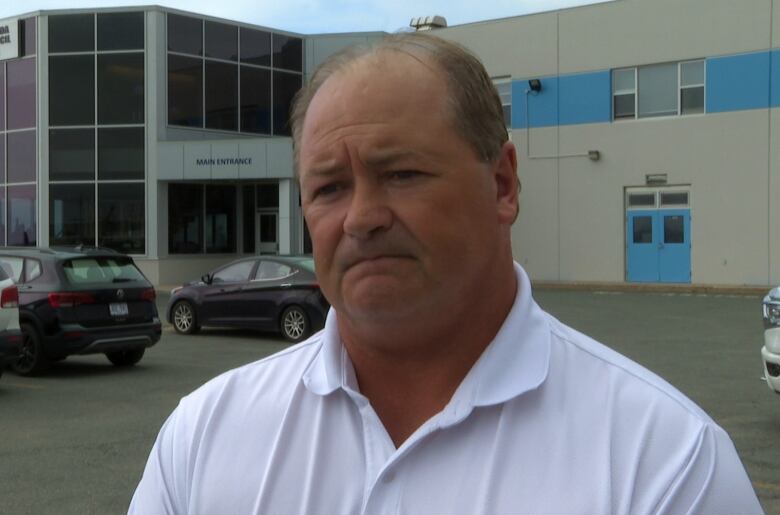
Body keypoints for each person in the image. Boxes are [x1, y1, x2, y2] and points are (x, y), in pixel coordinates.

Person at [129, 33, 763, 514]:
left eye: (402, 174)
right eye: (328, 187)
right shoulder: (204, 437)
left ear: (503, 184)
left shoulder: (668, 466)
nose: (362, 218)